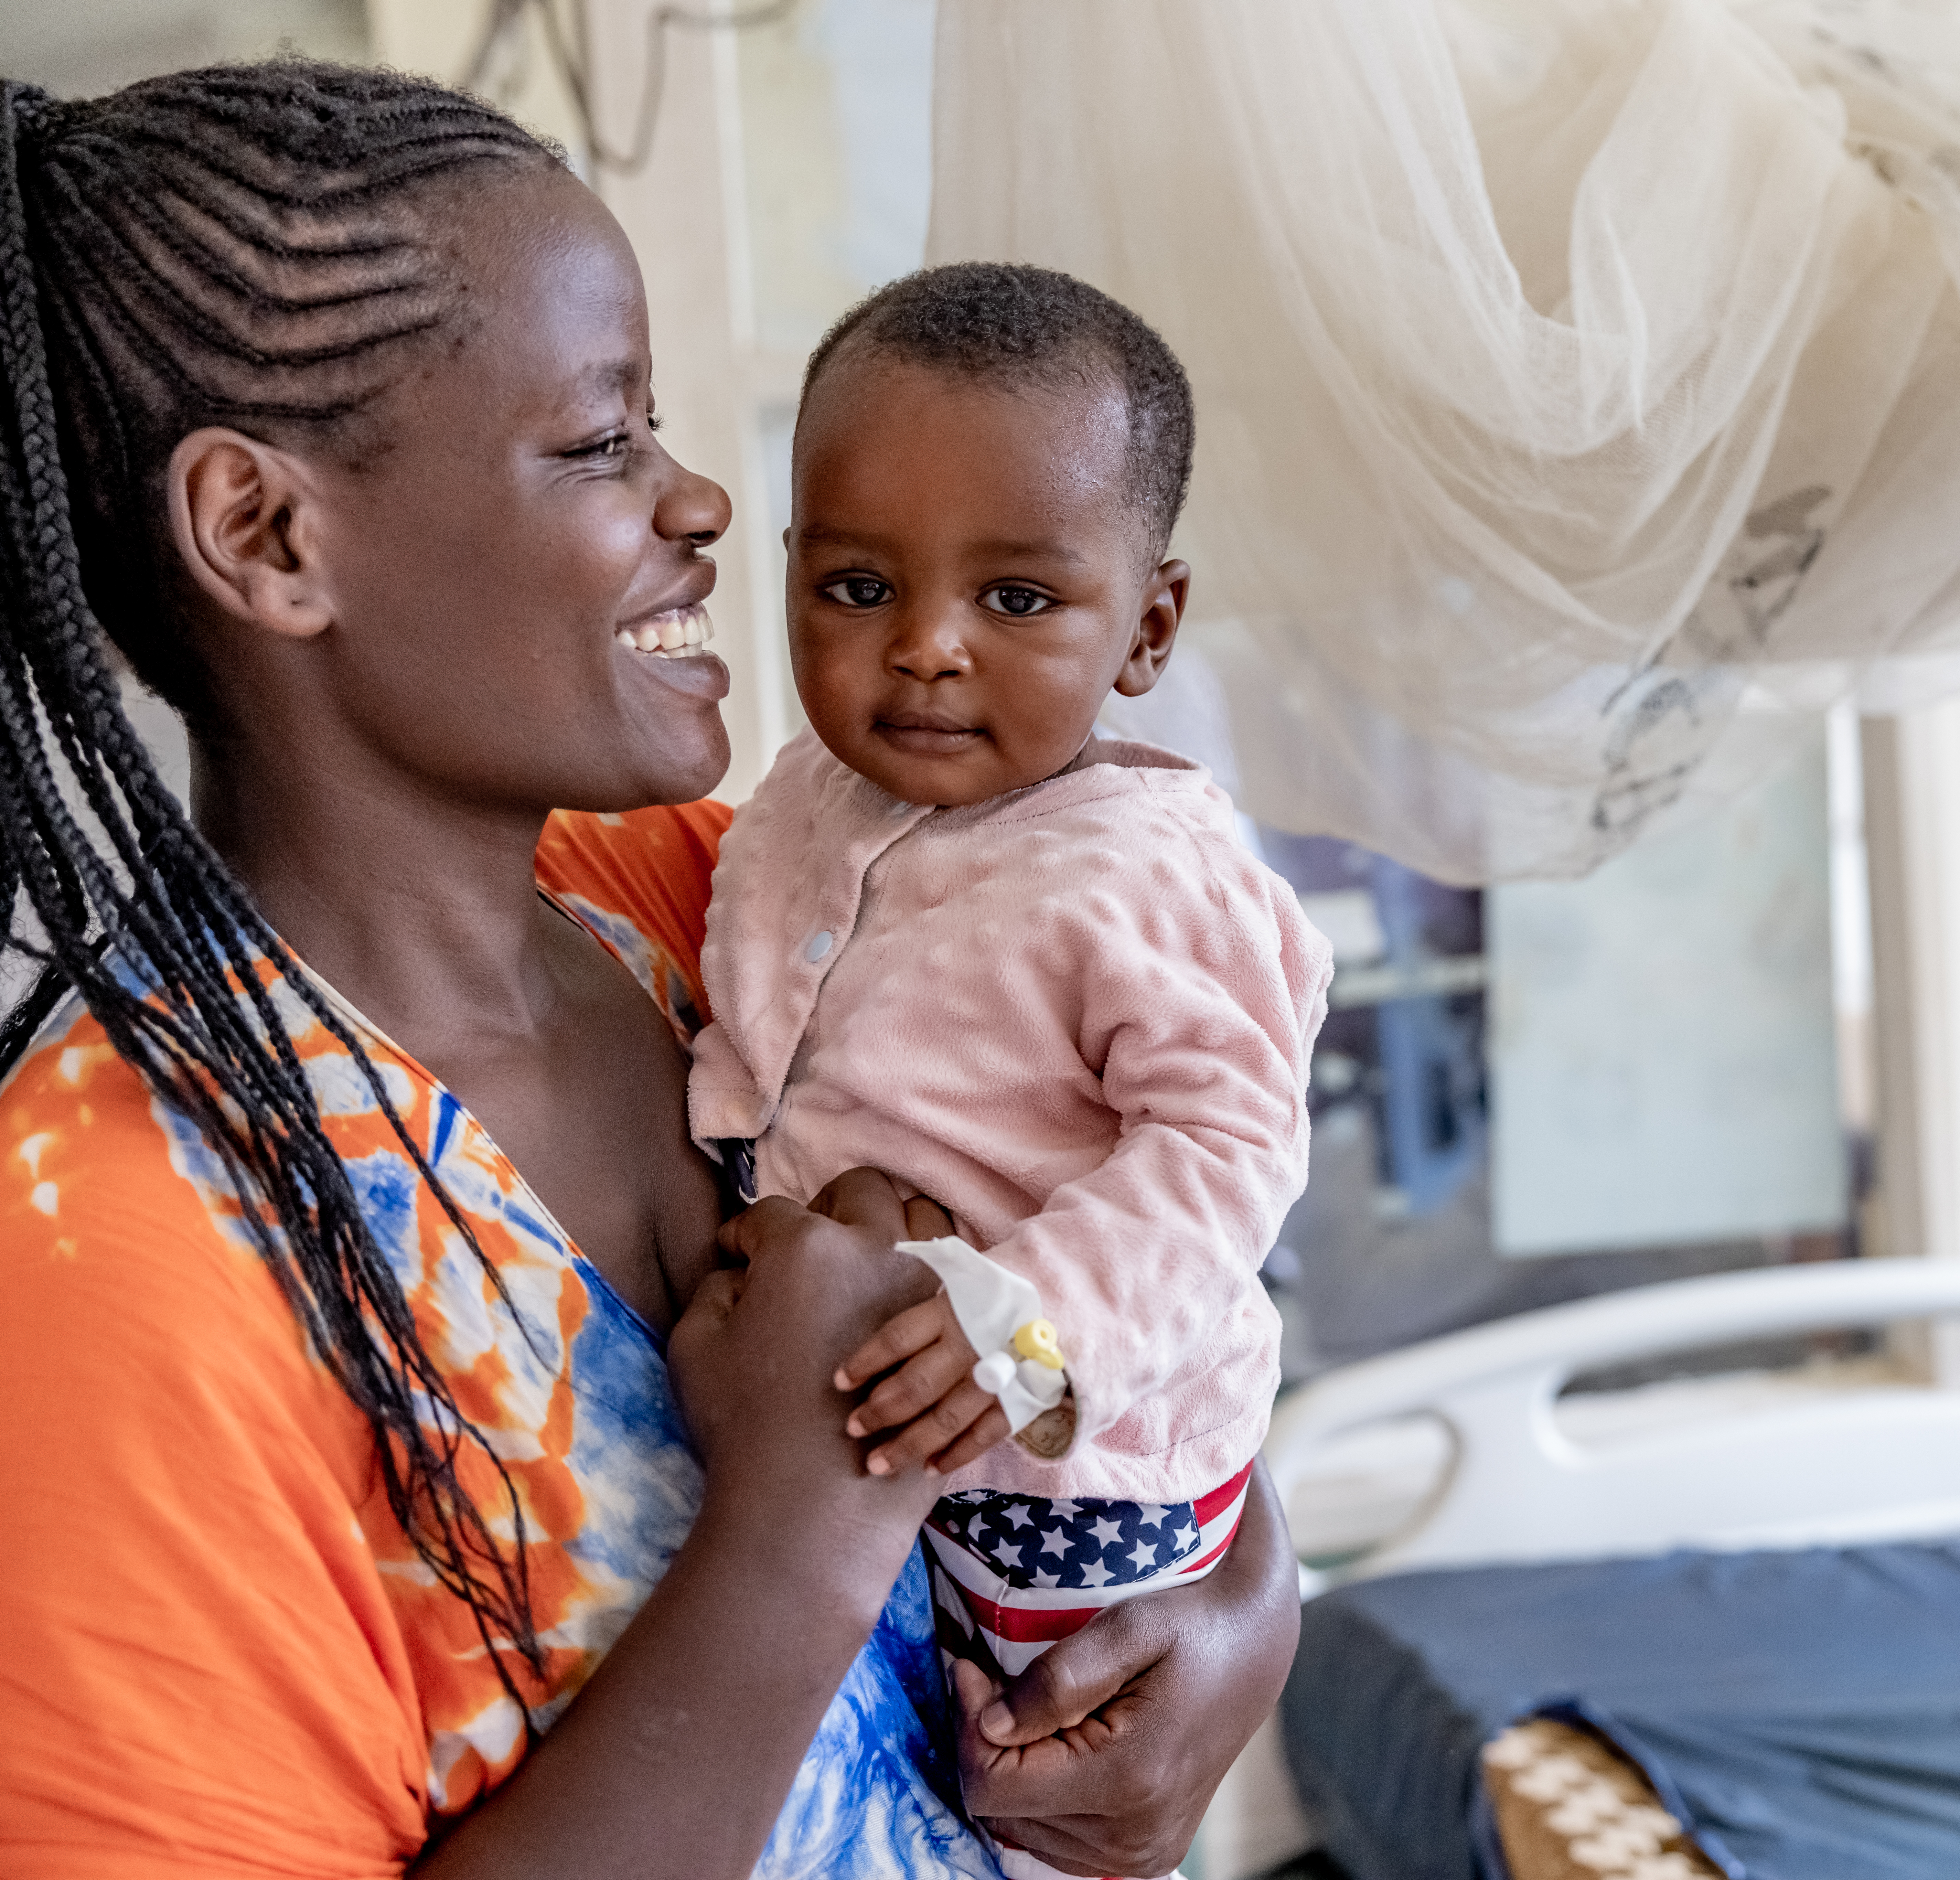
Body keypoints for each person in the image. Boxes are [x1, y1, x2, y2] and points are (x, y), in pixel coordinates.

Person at [0, 63, 1297, 1880]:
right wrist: (807, 1521)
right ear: (269, 536)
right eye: (603, 439)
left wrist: (1245, 1602)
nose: (700, 502)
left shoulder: (730, 906)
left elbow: (1134, 1234)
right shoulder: (100, 1267)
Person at [684, 265, 1330, 1873]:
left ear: (1147, 628)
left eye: (1018, 602)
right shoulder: (797, 800)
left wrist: (1028, 1326)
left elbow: (1227, 1150)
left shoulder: (1148, 875)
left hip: (1072, 1486)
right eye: (855, 586)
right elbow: (756, 1033)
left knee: (1031, 1785)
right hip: (871, 1448)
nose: (924, 650)